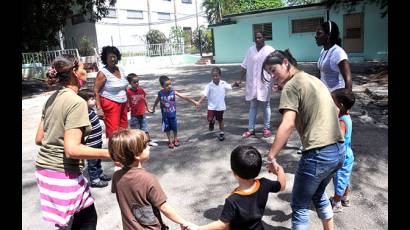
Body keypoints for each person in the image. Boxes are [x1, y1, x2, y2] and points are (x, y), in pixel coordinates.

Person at [263, 49, 345, 230]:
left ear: (285, 63)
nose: (272, 75)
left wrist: (271, 156)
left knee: (299, 206)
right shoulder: (313, 79)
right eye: (269, 73)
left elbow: (288, 124)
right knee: (318, 195)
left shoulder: (292, 86)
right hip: (339, 151)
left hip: (318, 153)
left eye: (273, 70)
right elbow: (337, 111)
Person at [34, 55, 111, 229]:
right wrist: (111, 153)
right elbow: (72, 150)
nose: (87, 71)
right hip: (63, 175)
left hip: (45, 174)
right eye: (83, 68)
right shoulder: (76, 102)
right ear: (75, 73)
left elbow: (39, 139)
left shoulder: (51, 99)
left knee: (72, 223)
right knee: (86, 222)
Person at [109, 129, 194, 230]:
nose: (148, 147)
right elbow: (163, 207)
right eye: (145, 145)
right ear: (136, 155)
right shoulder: (148, 179)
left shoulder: (117, 176)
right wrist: (183, 222)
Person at [189, 145, 286, 230]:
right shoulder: (264, 184)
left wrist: (198, 228)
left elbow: (222, 224)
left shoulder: (232, 201)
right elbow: (282, 186)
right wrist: (279, 169)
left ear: (234, 173)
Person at [234, 31, 275, 138]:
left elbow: (276, 65)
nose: (257, 40)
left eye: (259, 37)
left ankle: (266, 128)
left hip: (265, 82)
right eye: (256, 38)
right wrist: (239, 79)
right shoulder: (251, 50)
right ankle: (251, 129)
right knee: (253, 106)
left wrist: (278, 81)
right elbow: (244, 66)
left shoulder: (270, 50)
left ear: (264, 38)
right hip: (252, 82)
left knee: (266, 105)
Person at [151, 75, 198, 148]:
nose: (169, 86)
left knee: (174, 128)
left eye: (170, 84)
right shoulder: (160, 93)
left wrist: (193, 101)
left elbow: (184, 97)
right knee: (167, 129)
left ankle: (176, 139)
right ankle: (170, 141)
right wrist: (153, 107)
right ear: (162, 86)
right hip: (165, 116)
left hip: (173, 115)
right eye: (167, 85)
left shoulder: (173, 92)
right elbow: (157, 101)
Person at [78, 89, 112, 188]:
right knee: (92, 163)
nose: (94, 101)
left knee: (98, 160)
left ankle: (100, 174)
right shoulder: (84, 113)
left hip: (97, 141)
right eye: (92, 99)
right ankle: (94, 180)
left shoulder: (91, 111)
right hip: (91, 143)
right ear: (83, 101)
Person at [329, 88, 356, 213]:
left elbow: (339, 138)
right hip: (348, 153)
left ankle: (336, 203)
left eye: (332, 100)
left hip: (342, 154)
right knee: (345, 178)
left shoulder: (342, 121)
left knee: (339, 179)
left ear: (340, 105)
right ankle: (345, 198)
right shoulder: (346, 114)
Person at [94, 46, 129, 138]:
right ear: (105, 58)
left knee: (124, 129)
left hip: (123, 103)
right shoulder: (102, 73)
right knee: (113, 131)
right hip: (110, 104)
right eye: (110, 57)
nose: (113, 59)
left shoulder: (121, 69)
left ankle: (122, 150)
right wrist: (99, 108)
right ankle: (113, 151)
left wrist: (128, 102)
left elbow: (124, 87)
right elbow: (96, 91)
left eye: (115, 56)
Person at [196, 67, 232, 141]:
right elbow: (204, 94)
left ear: (220, 75)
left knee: (220, 120)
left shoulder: (223, 83)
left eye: (216, 75)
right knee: (209, 119)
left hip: (220, 107)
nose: (215, 77)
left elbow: (230, 86)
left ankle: (222, 133)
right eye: (213, 76)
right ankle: (211, 122)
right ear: (211, 76)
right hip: (211, 107)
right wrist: (199, 102)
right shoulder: (209, 85)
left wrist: (236, 84)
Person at [315, 20, 353, 92]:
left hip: (336, 96)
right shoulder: (323, 51)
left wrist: (344, 98)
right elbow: (321, 73)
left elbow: (349, 82)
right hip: (325, 94)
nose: (316, 36)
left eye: (319, 33)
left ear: (328, 35)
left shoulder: (338, 53)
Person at [126, 73, 158, 147]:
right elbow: (127, 101)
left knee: (145, 128)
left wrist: (148, 108)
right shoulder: (128, 92)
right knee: (135, 130)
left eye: (138, 81)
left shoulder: (141, 90)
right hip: (134, 115)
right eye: (134, 82)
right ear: (130, 83)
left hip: (142, 114)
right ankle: (136, 143)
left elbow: (144, 99)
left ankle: (148, 141)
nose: (137, 83)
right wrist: (127, 108)